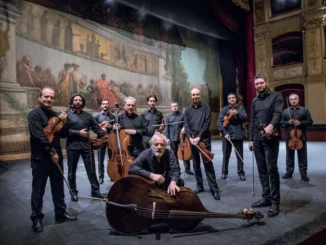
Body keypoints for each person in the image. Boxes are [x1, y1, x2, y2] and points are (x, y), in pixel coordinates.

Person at [28, 87, 77, 233]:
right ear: (40, 97)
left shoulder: (55, 114)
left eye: (51, 97)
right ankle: (36, 219)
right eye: (46, 97)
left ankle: (60, 214)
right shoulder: (34, 115)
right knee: (38, 190)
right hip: (41, 158)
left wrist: (65, 121)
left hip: (55, 157)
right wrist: (51, 152)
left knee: (58, 187)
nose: (48, 100)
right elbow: (39, 136)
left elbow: (62, 134)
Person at [248, 73, 283, 217]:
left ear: (266, 83)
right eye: (256, 84)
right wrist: (250, 139)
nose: (259, 86)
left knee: (271, 169)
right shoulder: (255, 100)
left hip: (271, 138)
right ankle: (266, 198)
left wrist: (271, 125)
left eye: (261, 83)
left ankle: (275, 202)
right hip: (257, 139)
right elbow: (253, 120)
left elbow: (277, 113)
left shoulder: (277, 96)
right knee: (262, 170)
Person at [65, 93, 107, 202]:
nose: (78, 102)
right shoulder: (68, 115)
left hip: (86, 147)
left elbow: (97, 129)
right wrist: (78, 132)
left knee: (91, 170)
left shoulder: (88, 116)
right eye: (75, 100)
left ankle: (96, 191)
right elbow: (63, 132)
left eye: (80, 100)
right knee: (71, 172)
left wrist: (106, 133)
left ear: (82, 102)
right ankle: (73, 192)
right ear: (72, 102)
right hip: (72, 147)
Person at [184, 88, 220, 200]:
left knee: (208, 163)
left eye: (197, 94)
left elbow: (206, 122)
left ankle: (214, 189)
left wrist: (199, 137)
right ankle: (200, 186)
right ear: (191, 96)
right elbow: (186, 125)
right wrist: (190, 138)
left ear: (200, 95)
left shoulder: (206, 107)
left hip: (204, 139)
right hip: (193, 140)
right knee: (196, 164)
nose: (195, 96)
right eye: (193, 94)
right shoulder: (188, 110)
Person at [281, 93, 313, 182]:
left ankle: (303, 173)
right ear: (289, 100)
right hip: (289, 137)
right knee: (289, 155)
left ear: (298, 99)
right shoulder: (285, 111)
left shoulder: (304, 110)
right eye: (291, 99)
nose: (293, 101)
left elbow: (310, 121)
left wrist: (301, 123)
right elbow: (281, 123)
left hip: (301, 137)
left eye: (295, 99)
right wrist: (288, 123)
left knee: (302, 156)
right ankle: (289, 172)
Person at [217, 93, 247, 181]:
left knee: (239, 155)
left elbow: (245, 118)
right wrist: (224, 133)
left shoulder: (240, 108)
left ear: (236, 99)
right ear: (228, 100)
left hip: (238, 135)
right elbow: (219, 122)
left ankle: (241, 172)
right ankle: (224, 172)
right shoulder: (224, 109)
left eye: (233, 97)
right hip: (227, 136)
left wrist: (237, 113)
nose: (232, 99)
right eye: (229, 98)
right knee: (226, 155)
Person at [165, 102, 194, 175]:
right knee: (174, 154)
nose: (174, 107)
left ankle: (187, 169)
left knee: (185, 152)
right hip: (172, 138)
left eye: (176, 106)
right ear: (171, 108)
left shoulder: (182, 115)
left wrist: (184, 127)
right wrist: (167, 138)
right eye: (173, 106)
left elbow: (186, 123)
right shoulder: (168, 117)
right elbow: (167, 128)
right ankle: (177, 168)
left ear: (178, 107)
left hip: (182, 138)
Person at [94, 99, 116, 184]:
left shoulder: (113, 116)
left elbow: (115, 127)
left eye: (107, 104)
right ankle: (101, 177)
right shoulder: (97, 116)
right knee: (100, 159)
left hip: (111, 139)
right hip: (101, 139)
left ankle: (112, 175)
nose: (105, 105)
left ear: (108, 105)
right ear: (101, 105)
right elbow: (93, 127)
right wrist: (100, 126)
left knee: (111, 159)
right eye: (103, 104)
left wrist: (110, 126)